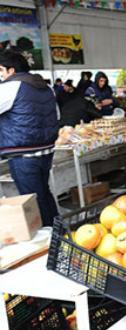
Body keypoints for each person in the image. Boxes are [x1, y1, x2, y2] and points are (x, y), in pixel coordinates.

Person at [0, 50, 60, 226]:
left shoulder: (10, 87)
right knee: (43, 192)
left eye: (1, 71)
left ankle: (48, 239)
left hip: (23, 154)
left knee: (33, 198)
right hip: (46, 150)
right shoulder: (46, 87)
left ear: (11, 71)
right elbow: (56, 115)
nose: (1, 76)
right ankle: (58, 232)